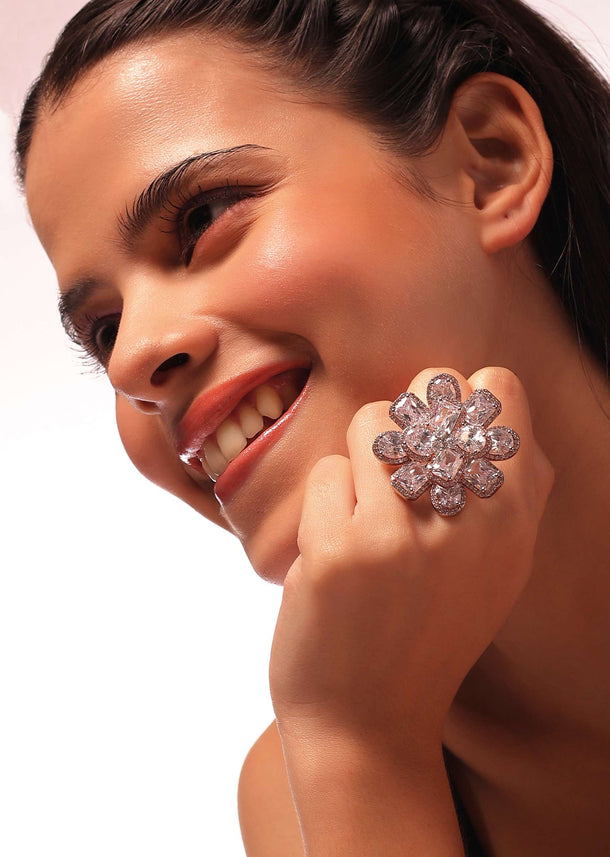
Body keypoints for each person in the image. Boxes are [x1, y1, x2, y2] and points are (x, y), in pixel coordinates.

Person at [15, 0, 609, 854]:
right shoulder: (305, 783)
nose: (132, 360)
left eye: (202, 215)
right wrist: (362, 742)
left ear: (491, 162)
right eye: (103, 330)